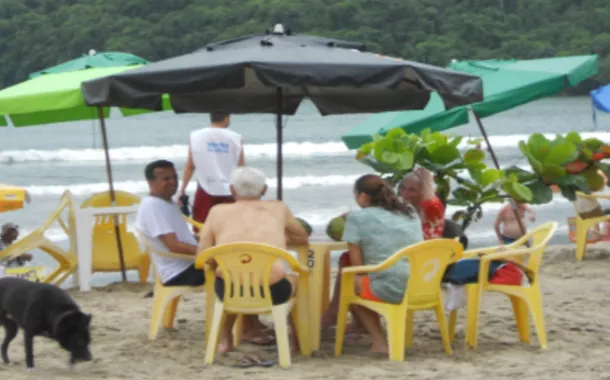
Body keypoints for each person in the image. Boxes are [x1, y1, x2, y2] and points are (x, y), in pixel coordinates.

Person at [197, 167, 309, 353]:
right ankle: (296, 339)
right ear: (264, 189)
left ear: (232, 190)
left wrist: (226, 259)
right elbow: (302, 238)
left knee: (233, 278)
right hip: (274, 291)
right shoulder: (278, 208)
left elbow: (203, 255)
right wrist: (277, 239)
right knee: (296, 278)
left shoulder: (216, 212)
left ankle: (225, 339)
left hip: (227, 291)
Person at [321, 174, 424, 354]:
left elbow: (357, 266)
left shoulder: (357, 218)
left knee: (351, 281)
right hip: (421, 284)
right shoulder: (409, 210)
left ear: (363, 197)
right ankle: (351, 323)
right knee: (366, 278)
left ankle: (379, 342)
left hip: (392, 289)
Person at [135, 160, 205, 287]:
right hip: (178, 272)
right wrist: (208, 252)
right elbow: (174, 245)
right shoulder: (153, 206)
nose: (173, 182)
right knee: (231, 269)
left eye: (175, 177)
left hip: (188, 265)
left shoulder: (169, 203)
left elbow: (183, 237)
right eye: (166, 179)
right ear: (150, 183)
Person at [178, 112, 245, 230]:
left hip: (205, 187)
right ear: (226, 118)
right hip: (229, 190)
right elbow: (241, 167)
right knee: (228, 229)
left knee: (202, 228)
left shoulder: (196, 136)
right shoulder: (235, 137)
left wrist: (182, 189)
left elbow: (190, 165)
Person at [399, 167, 445, 239]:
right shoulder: (404, 204)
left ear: (423, 191)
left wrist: (426, 180)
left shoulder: (432, 206)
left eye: (412, 190)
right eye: (402, 188)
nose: (405, 193)